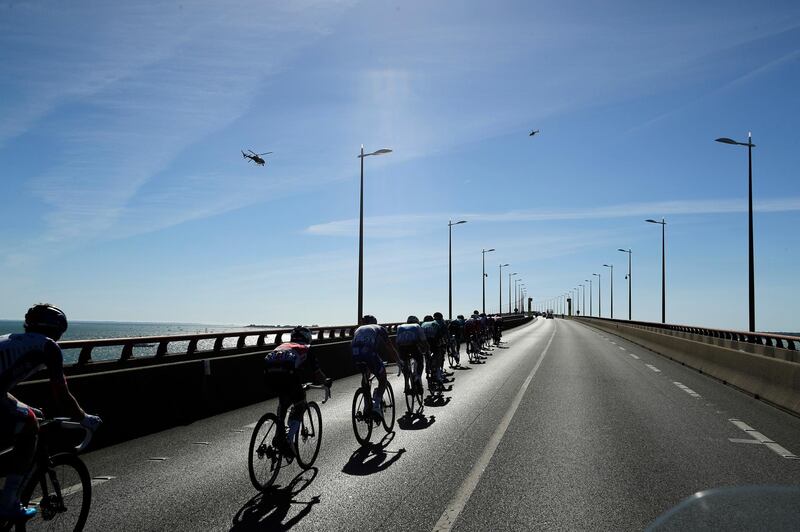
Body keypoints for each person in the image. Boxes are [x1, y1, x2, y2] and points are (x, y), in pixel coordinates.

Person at [0, 304, 101, 522]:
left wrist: (27, 407)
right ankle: (8, 503)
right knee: (30, 426)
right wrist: (84, 418)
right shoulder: (48, 347)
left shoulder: (10, 338)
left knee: (26, 416)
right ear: (57, 331)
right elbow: (62, 395)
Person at [263, 326, 331, 456]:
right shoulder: (306, 348)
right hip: (288, 376)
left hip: (269, 376)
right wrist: (326, 382)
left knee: (283, 404)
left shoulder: (282, 346)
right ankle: (288, 440)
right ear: (307, 338)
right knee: (299, 403)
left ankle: (279, 435)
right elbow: (317, 373)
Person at [351, 315, 401, 421]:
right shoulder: (379, 328)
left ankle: (366, 405)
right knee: (382, 378)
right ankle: (376, 406)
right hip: (369, 354)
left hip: (355, 354)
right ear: (375, 322)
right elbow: (389, 347)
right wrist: (398, 361)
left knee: (365, 375)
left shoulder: (358, 329)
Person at [395, 316, 428, 394]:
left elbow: (397, 341)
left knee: (405, 365)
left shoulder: (400, 327)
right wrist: (427, 349)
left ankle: (406, 385)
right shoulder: (417, 326)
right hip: (413, 346)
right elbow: (423, 340)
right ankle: (418, 376)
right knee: (420, 360)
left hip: (402, 347)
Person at [421, 314, 445, 388]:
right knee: (438, 356)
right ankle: (438, 375)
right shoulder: (435, 323)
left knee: (426, 354)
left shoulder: (422, 325)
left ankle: (427, 368)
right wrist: (442, 343)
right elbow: (440, 336)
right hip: (434, 341)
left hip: (425, 342)